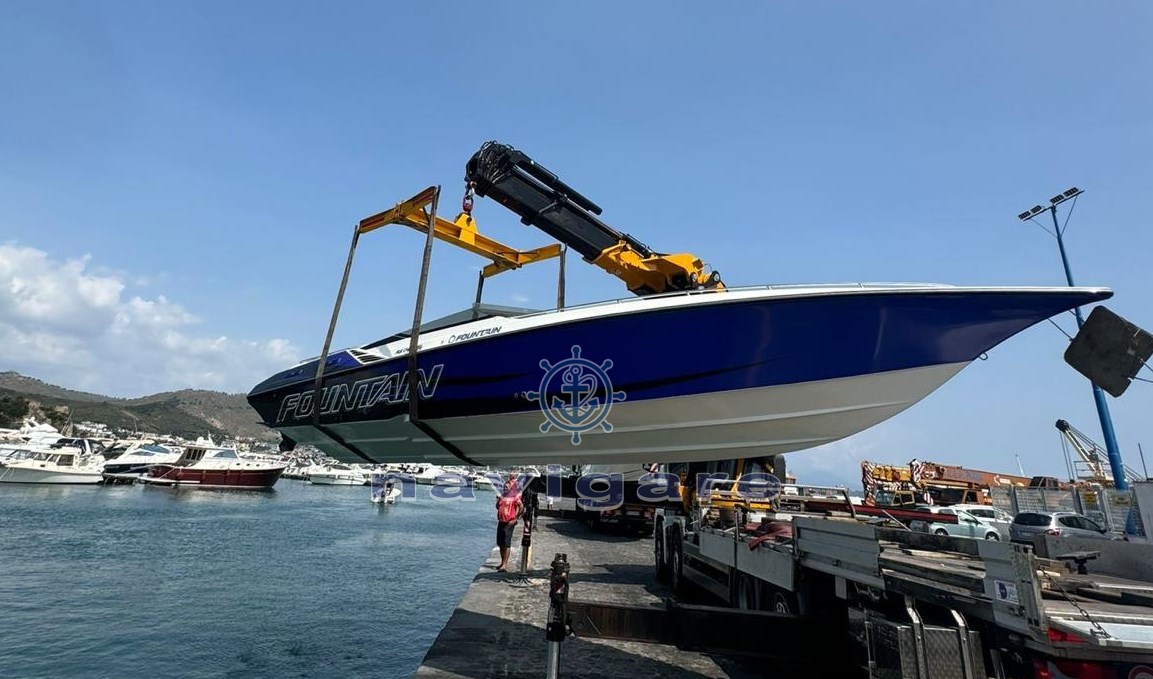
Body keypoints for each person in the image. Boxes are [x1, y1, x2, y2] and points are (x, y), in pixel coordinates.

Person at [495, 477, 524, 572]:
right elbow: (497, 506)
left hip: (509, 522)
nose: (505, 488)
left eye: (507, 487)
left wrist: (516, 518)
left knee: (506, 543)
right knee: (500, 543)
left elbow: (521, 507)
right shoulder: (502, 496)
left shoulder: (514, 496)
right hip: (501, 521)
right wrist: (497, 499)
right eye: (504, 487)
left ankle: (505, 564)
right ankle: (502, 562)